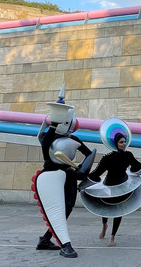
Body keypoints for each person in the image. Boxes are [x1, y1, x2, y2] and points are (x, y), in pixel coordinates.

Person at [32, 85, 96, 258]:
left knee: (67, 207)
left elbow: (89, 154)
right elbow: (46, 146)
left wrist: (83, 169)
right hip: (52, 175)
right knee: (57, 209)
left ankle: (45, 239)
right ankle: (65, 244)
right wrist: (54, 125)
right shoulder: (48, 137)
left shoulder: (73, 139)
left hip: (68, 175)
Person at [83, 132, 141, 247]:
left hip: (123, 185)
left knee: (119, 210)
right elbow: (97, 173)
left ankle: (112, 237)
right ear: (115, 144)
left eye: (125, 142)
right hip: (109, 185)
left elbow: (137, 166)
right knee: (106, 206)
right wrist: (83, 185)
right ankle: (104, 225)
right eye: (121, 142)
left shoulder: (128, 155)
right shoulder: (107, 158)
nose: (124, 144)